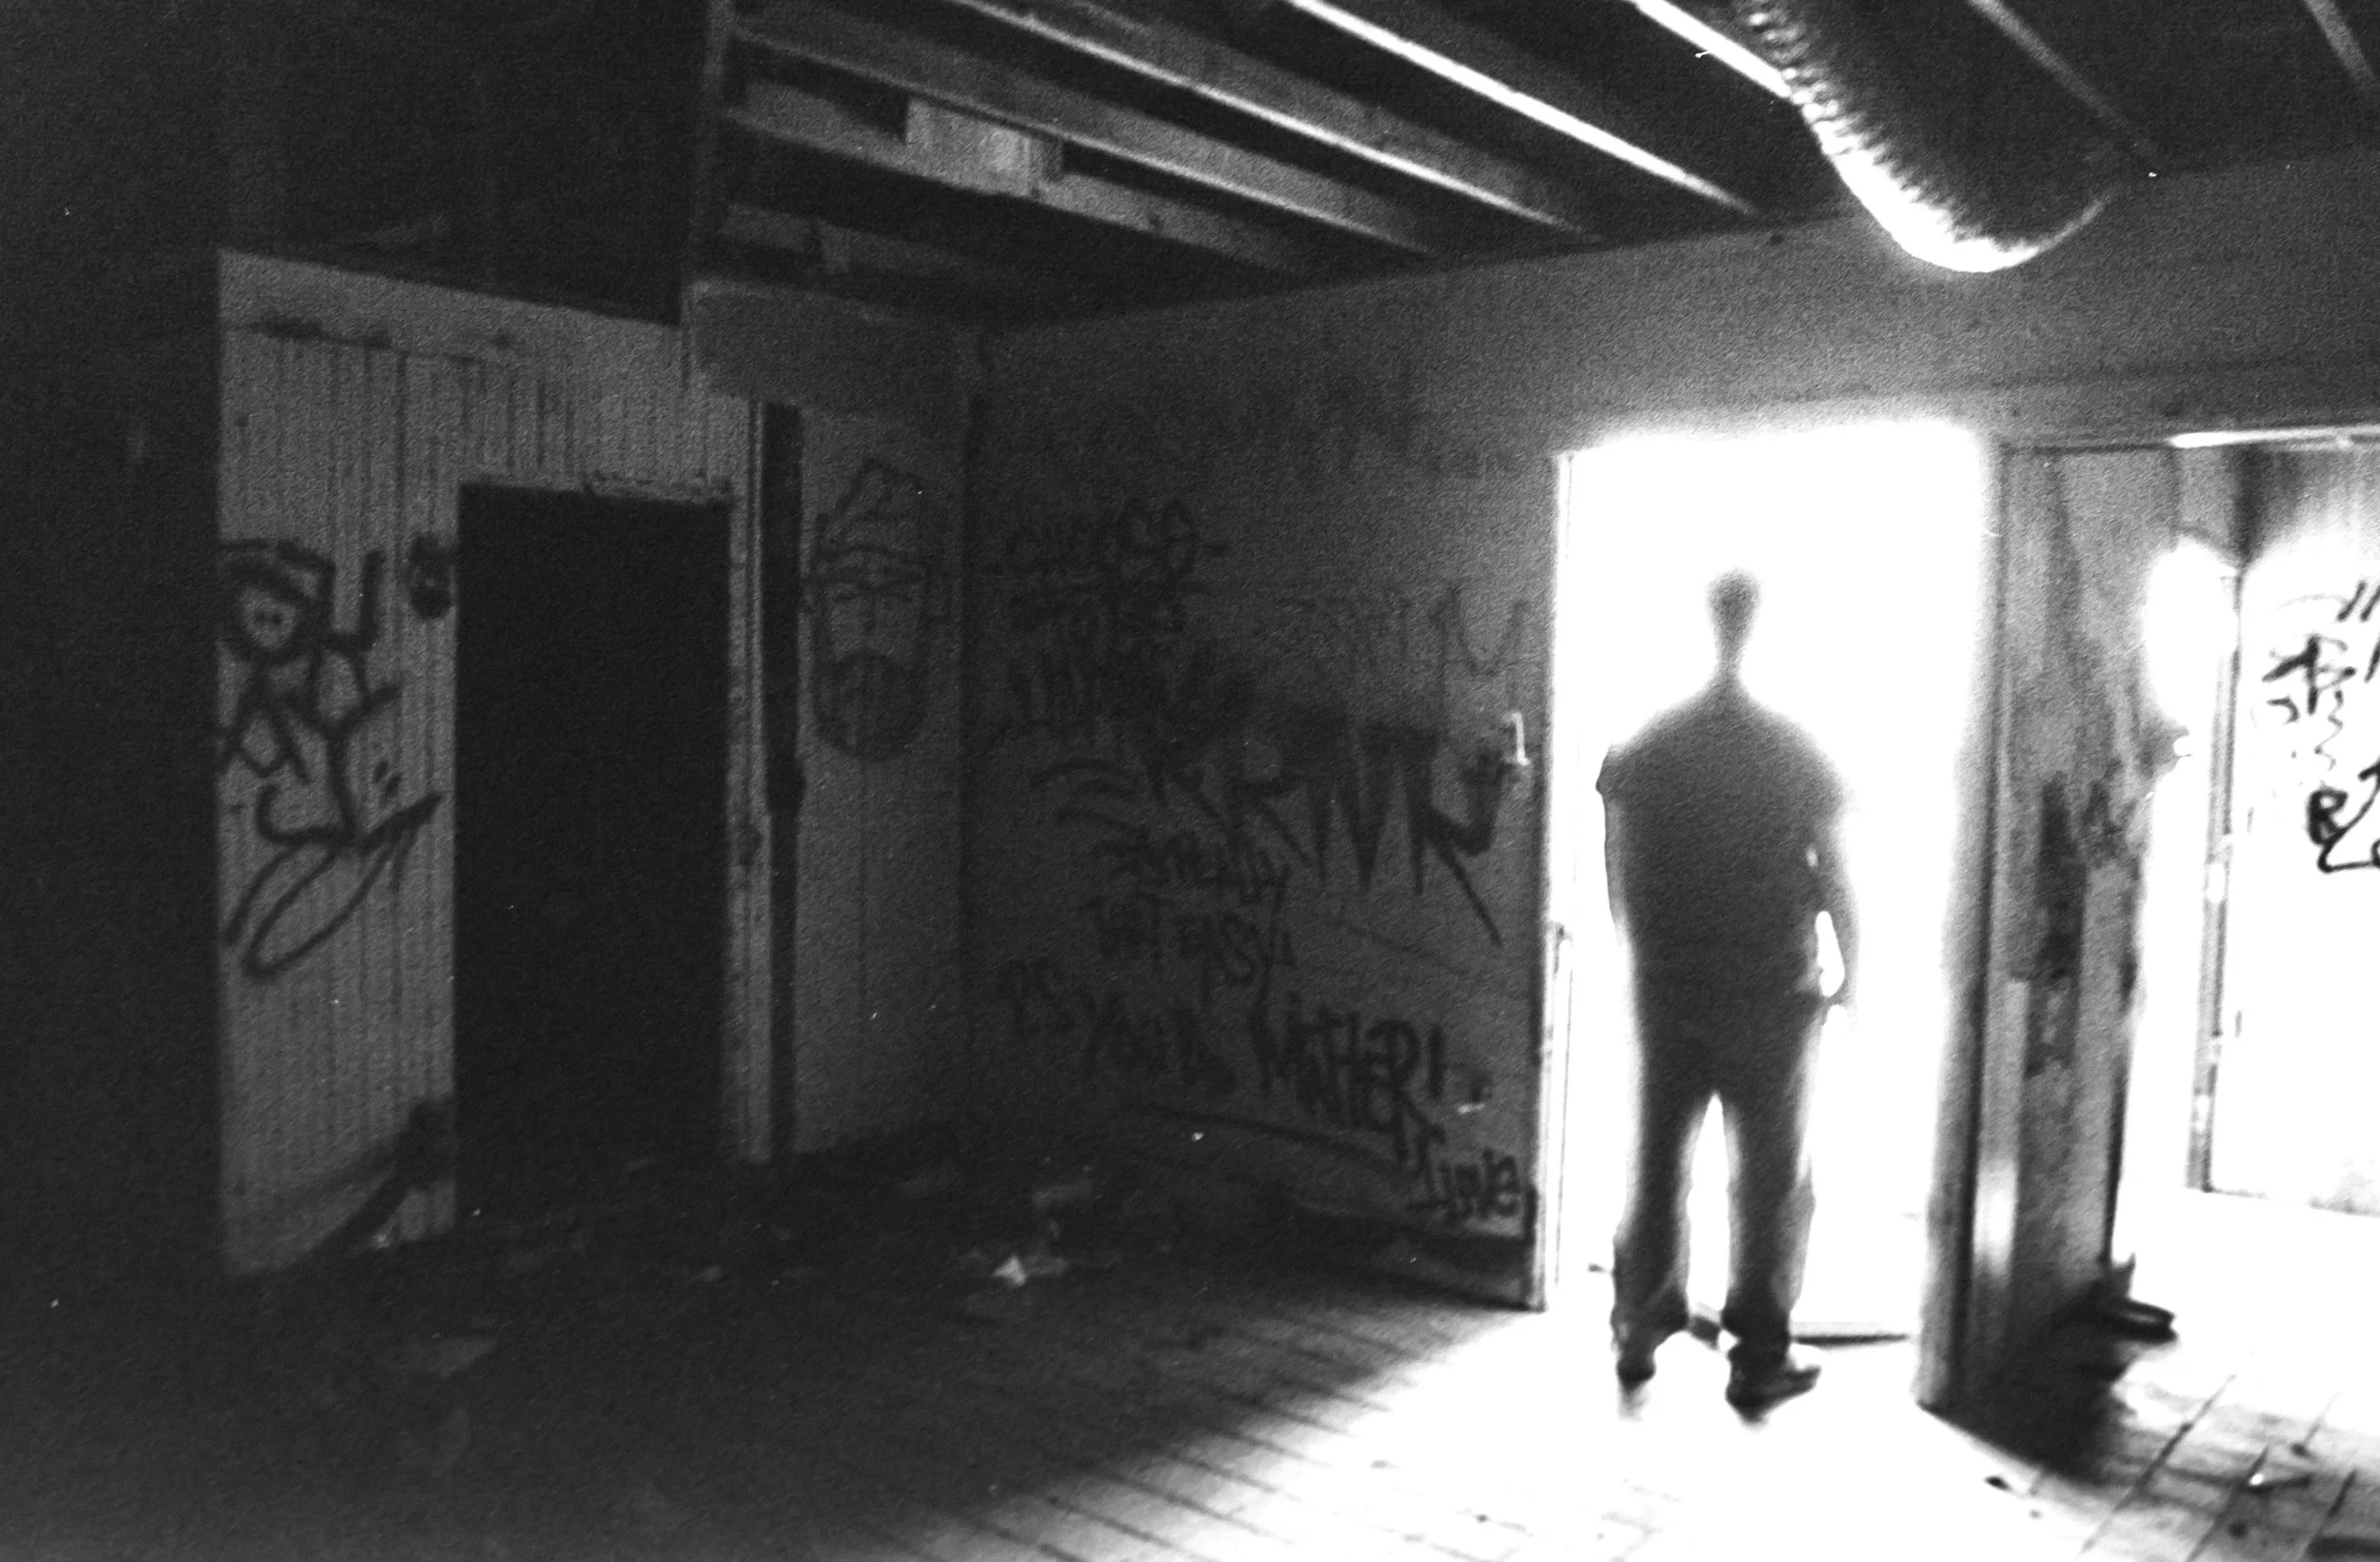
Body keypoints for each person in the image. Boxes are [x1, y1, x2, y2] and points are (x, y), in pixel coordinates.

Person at [1597, 570, 1856, 1410]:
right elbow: (1836, 869)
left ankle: (1637, 1329)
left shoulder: (1648, 743)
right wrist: (1856, 965)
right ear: (1758, 628)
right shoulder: (1794, 745)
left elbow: (1618, 869)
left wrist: (1643, 953)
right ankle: (1757, 1355)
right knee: (1771, 1172)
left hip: (1667, 985)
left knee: (1656, 1160)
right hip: (1771, 989)